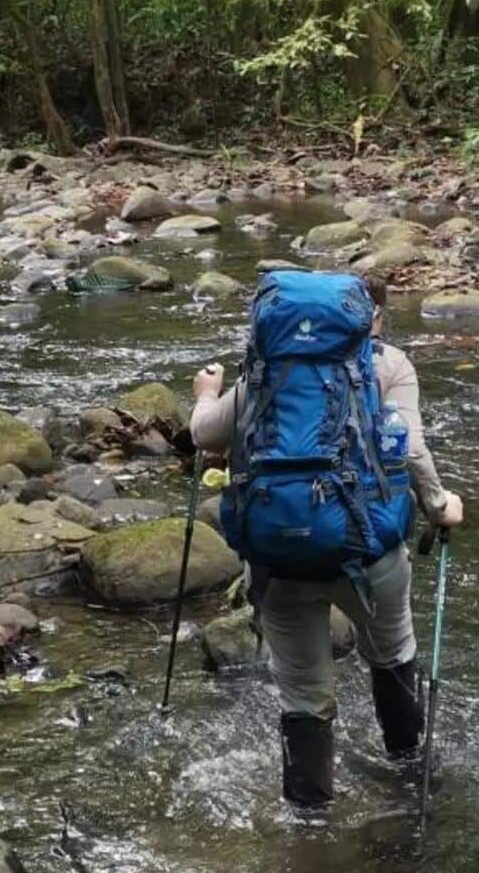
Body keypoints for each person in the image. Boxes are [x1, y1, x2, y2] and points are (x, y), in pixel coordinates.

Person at [190, 273, 464, 812]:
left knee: (303, 698)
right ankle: (408, 779)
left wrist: (205, 394)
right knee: (392, 654)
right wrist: (440, 506)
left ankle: (309, 827)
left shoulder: (263, 374)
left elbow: (203, 436)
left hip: (278, 563)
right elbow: (407, 448)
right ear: (369, 322)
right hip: (367, 553)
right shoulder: (387, 365)